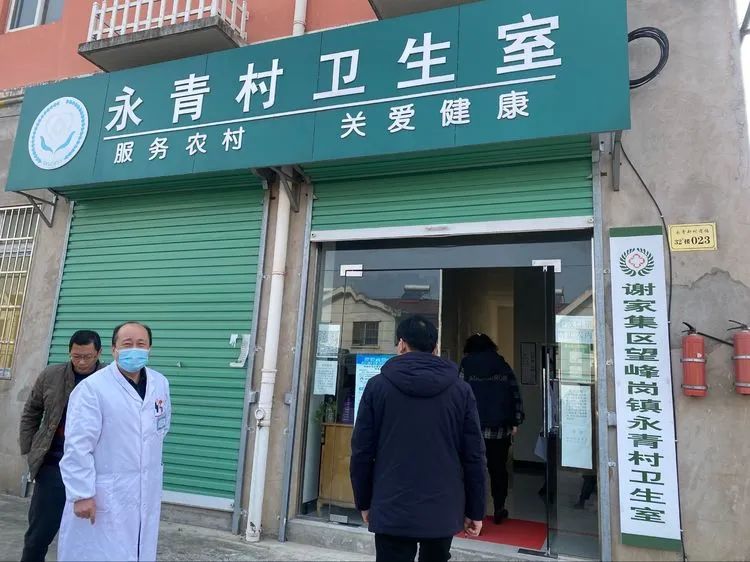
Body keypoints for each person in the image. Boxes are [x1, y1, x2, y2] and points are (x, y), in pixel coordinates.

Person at [350, 315, 486, 562]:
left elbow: (361, 452)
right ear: (435, 348)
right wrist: (475, 509)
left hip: (391, 505)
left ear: (401, 344)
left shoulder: (377, 387)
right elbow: (474, 455)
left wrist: (364, 501)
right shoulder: (461, 390)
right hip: (443, 507)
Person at [57, 321, 171, 562]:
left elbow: (160, 428)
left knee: (138, 548)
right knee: (99, 552)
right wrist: (82, 493)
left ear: (149, 348)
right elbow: (78, 445)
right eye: (127, 344)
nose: (134, 349)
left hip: (144, 487)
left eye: (141, 343)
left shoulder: (160, 383)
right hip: (104, 491)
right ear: (114, 349)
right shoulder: (92, 388)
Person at [18, 330, 104, 562]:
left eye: (87, 356)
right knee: (38, 535)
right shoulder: (51, 375)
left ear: (99, 353)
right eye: (76, 356)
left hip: (94, 470)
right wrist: (30, 448)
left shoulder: (109, 380)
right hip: (53, 467)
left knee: (92, 539)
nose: (81, 362)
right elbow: (31, 411)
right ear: (69, 352)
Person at [460, 333, 524, 525]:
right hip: (499, 429)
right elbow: (514, 393)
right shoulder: (502, 365)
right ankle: (499, 507)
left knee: (472, 469)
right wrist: (516, 420)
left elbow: (459, 394)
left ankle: (471, 510)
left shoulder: (467, 365)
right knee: (498, 469)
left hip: (473, 428)